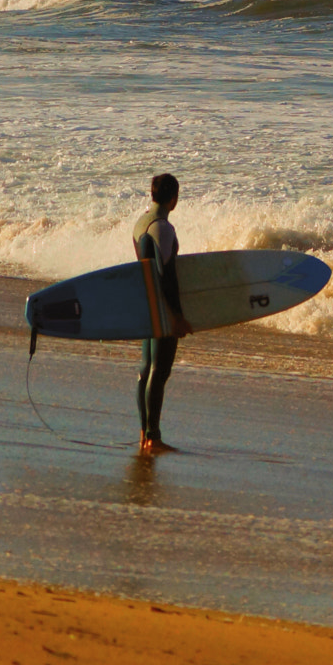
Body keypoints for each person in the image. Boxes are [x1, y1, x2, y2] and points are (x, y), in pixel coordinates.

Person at [133, 172, 191, 454]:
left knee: (145, 370)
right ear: (173, 198)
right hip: (162, 308)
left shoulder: (140, 223)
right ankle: (154, 437)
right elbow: (166, 275)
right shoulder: (163, 229)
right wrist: (177, 316)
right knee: (160, 370)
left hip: (144, 303)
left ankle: (144, 433)